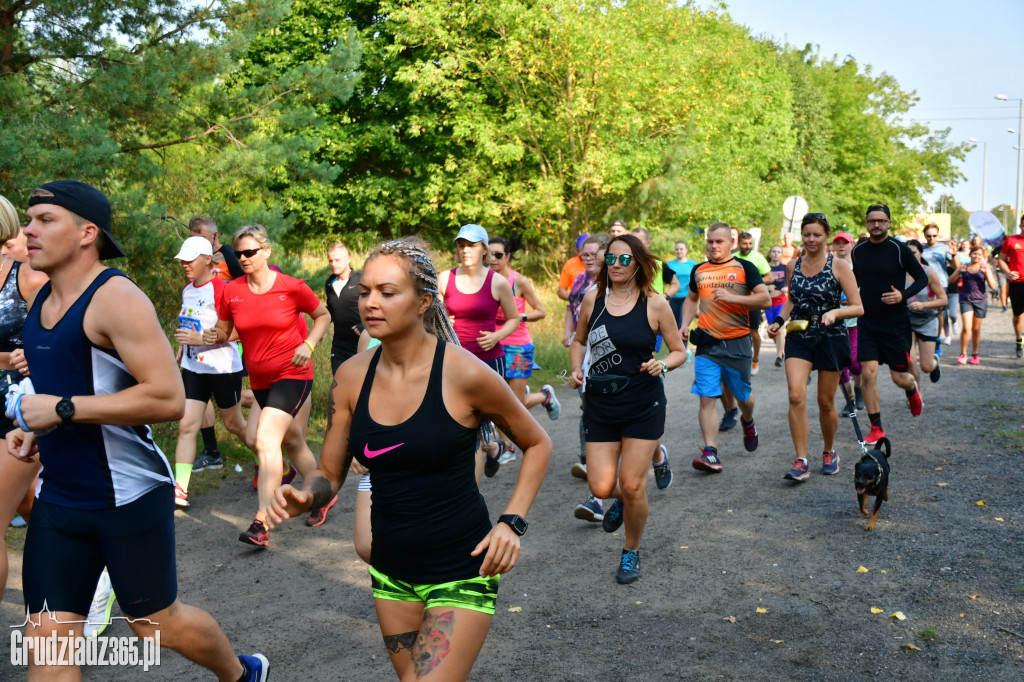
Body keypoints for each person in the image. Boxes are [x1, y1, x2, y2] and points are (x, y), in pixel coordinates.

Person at [10, 180, 267, 680]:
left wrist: (60, 410)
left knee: (155, 625)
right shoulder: (40, 303)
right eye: (28, 219)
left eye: (45, 220)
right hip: (60, 500)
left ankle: (240, 673)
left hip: (126, 496)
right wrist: (39, 432)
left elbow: (168, 397)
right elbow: (77, 386)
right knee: (46, 647)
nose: (29, 230)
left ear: (88, 233)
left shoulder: (116, 297)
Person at [267, 240, 551, 681]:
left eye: (387, 292)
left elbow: (537, 444)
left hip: (461, 567)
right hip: (391, 571)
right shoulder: (350, 378)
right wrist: (309, 496)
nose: (371, 303)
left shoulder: (465, 374)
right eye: (364, 292)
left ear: (422, 302)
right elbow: (329, 472)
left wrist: (511, 522)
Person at [568, 234, 686, 583]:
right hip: (601, 405)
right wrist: (577, 368)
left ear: (638, 264)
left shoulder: (655, 303)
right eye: (612, 259)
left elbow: (679, 350)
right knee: (602, 487)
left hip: (642, 405)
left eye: (625, 259)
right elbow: (578, 340)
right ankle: (622, 501)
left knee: (632, 485)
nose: (616, 265)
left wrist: (663, 365)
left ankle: (630, 550)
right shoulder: (594, 298)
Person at [209, 223, 332, 546]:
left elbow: (323, 315)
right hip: (260, 380)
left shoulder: (291, 287)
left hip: (292, 374)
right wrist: (214, 336)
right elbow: (225, 331)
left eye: (250, 252)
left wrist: (309, 345)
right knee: (288, 441)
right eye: (239, 254)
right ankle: (322, 489)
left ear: (266, 251)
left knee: (265, 440)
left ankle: (261, 522)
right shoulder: (231, 290)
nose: (244, 258)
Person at [767, 213, 863, 481]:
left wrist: (835, 313)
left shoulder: (840, 266)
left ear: (826, 237)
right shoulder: (793, 265)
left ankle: (830, 451)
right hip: (799, 336)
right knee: (796, 395)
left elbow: (858, 306)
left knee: (825, 402)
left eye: (817, 235)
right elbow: (791, 300)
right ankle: (801, 459)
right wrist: (778, 322)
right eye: (807, 234)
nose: (811, 239)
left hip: (830, 337)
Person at [680, 223, 771, 473]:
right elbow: (691, 298)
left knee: (744, 398)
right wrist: (685, 323)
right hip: (708, 343)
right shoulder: (699, 270)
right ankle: (710, 452)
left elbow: (765, 298)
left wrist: (734, 298)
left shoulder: (745, 267)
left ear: (730, 243)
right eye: (710, 241)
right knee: (707, 398)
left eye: (719, 241)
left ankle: (748, 421)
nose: (713, 246)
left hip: (738, 343)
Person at [171, 236, 250, 508]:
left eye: (190, 258)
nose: (184, 264)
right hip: (194, 368)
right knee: (186, 426)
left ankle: (276, 464)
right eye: (182, 259)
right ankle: (179, 489)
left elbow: (241, 330)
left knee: (234, 424)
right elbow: (191, 323)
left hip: (222, 368)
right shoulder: (187, 290)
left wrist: (204, 340)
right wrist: (183, 346)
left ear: (207, 259)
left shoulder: (224, 289)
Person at [437, 224, 520, 477]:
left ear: (484, 249)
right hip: (453, 362)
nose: (465, 250)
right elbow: (435, 317)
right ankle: (488, 454)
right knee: (462, 426)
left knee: (484, 420)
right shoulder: (445, 278)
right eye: (461, 245)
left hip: (488, 362)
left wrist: (497, 335)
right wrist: (443, 321)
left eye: (471, 245)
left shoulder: (498, 282)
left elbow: (513, 319)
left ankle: (493, 446)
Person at [0, 196, 47, 603]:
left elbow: (60, 339)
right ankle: (90, 562)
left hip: (15, 416)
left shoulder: (27, 279)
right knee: (29, 504)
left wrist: (33, 353)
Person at [851, 204, 928, 445]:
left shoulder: (899, 249)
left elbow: (922, 278)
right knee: (868, 372)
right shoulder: (859, 250)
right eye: (872, 221)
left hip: (895, 323)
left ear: (889, 223)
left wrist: (902, 295)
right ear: (866, 223)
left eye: (881, 221)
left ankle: (911, 389)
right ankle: (876, 428)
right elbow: (855, 280)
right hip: (868, 321)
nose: (876, 225)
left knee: (899, 377)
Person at [488, 234, 560, 464]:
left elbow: (541, 311)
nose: (493, 259)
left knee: (514, 404)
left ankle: (544, 396)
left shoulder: (519, 281)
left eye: (498, 255)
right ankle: (507, 447)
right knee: (498, 401)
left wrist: (520, 316)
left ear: (507, 257)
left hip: (519, 347)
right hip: (494, 346)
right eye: (488, 254)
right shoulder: (484, 280)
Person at [562, 235, 607, 521]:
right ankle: (596, 497)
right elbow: (571, 310)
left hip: (623, 370)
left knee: (620, 429)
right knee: (593, 416)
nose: (588, 259)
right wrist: (576, 358)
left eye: (594, 255)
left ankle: (655, 455)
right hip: (591, 366)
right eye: (585, 254)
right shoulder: (581, 282)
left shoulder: (623, 286)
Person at [905, 239, 948, 387]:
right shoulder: (899, 274)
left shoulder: (929, 272)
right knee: (909, 361)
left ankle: (934, 363)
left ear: (921, 253)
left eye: (913, 252)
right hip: (907, 321)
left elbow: (943, 300)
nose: (910, 256)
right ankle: (918, 393)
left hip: (927, 320)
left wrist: (923, 305)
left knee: (926, 366)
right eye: (907, 253)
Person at [831, 231, 864, 415]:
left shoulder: (859, 269)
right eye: (838, 243)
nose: (842, 246)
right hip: (834, 323)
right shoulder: (829, 268)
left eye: (845, 242)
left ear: (852, 245)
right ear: (834, 246)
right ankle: (849, 401)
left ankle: (859, 389)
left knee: (854, 363)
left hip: (855, 323)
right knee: (839, 366)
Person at [952, 245, 998, 365]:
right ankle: (963, 353)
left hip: (980, 301)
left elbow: (993, 286)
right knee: (967, 328)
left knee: (976, 329)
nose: (976, 256)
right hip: (966, 300)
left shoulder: (985, 268)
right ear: (970, 254)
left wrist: (987, 272)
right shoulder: (964, 267)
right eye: (974, 254)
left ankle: (975, 354)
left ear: (982, 256)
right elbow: (950, 281)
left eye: (979, 254)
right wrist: (958, 272)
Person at [325, 241, 363, 374]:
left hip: (361, 343)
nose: (333, 264)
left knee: (360, 385)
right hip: (339, 345)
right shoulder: (329, 283)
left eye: (337, 260)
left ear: (348, 259)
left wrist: (363, 326)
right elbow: (330, 309)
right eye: (330, 260)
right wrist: (320, 326)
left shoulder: (361, 280)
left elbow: (374, 306)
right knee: (339, 382)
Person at [736, 231, 770, 374]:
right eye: (744, 243)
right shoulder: (733, 257)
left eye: (750, 243)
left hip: (753, 300)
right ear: (738, 243)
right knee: (736, 331)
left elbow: (770, 277)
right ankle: (737, 359)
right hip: (736, 301)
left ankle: (755, 360)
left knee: (753, 331)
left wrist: (754, 283)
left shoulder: (758, 257)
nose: (748, 246)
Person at [999, 215, 1024, 358]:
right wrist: (1008, 272)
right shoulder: (1011, 240)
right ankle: (1019, 339)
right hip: (1017, 282)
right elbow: (1001, 260)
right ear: (1020, 225)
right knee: (1018, 316)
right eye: (1023, 225)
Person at [764, 244, 788, 367]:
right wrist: (766, 286)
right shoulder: (765, 268)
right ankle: (782, 347)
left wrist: (787, 288)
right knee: (771, 332)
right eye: (774, 251)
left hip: (781, 301)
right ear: (770, 253)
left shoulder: (785, 268)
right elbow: (758, 283)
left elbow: (792, 283)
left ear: (781, 254)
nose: (776, 254)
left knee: (780, 329)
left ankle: (779, 356)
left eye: (778, 252)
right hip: (768, 302)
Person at [556, 233, 589, 301]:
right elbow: (561, 291)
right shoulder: (570, 263)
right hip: (575, 306)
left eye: (582, 251)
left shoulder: (600, 262)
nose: (579, 254)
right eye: (577, 250)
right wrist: (574, 298)